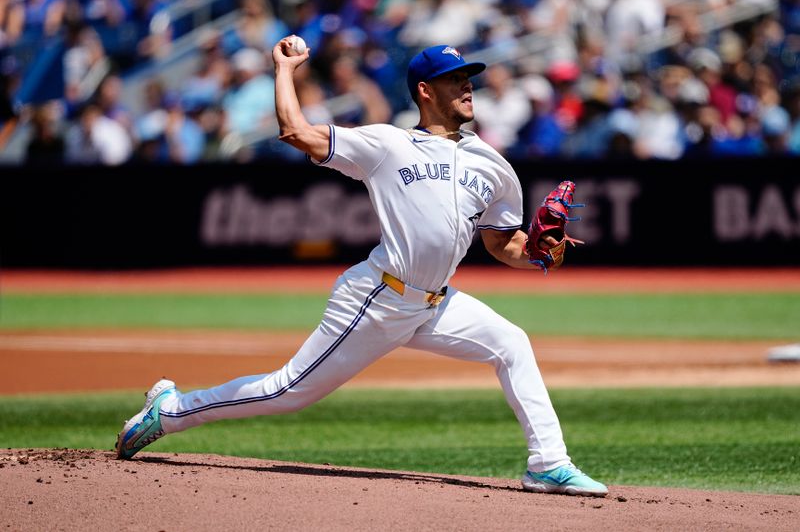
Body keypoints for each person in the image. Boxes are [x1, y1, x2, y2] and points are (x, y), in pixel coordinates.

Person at [115, 39, 608, 498]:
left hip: (435, 303)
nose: (467, 85)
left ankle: (547, 463)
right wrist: (285, 70)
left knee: (512, 343)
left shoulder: (493, 164)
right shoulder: (388, 145)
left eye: (469, 77)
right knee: (288, 391)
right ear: (425, 90)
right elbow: (297, 133)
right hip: (378, 296)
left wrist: (542, 252)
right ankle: (172, 410)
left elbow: (504, 245)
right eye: (455, 78)